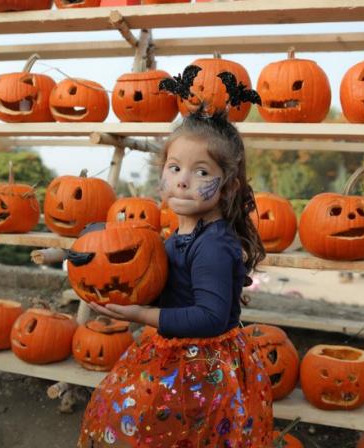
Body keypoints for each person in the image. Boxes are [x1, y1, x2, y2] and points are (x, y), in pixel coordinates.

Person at [77, 70, 273, 447]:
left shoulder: (213, 244)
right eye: (175, 168)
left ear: (228, 185)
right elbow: (161, 285)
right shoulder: (180, 233)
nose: (183, 180)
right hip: (177, 355)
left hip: (205, 367)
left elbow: (210, 317)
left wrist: (140, 315)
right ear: (162, 174)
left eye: (201, 172)